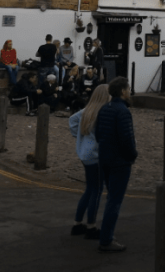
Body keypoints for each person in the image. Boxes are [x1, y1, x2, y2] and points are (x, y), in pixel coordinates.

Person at [95, 77, 138, 253]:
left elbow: (98, 134)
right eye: (128, 89)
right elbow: (127, 139)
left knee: (111, 197)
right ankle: (106, 239)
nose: (129, 92)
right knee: (114, 201)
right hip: (119, 162)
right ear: (122, 91)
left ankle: (106, 234)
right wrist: (132, 156)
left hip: (104, 159)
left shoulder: (105, 108)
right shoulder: (123, 112)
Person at [69, 84, 111, 240]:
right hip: (96, 155)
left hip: (85, 154)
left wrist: (79, 136)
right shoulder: (103, 112)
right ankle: (91, 226)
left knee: (89, 189)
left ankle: (77, 223)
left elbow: (72, 121)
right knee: (97, 191)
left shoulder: (86, 111)